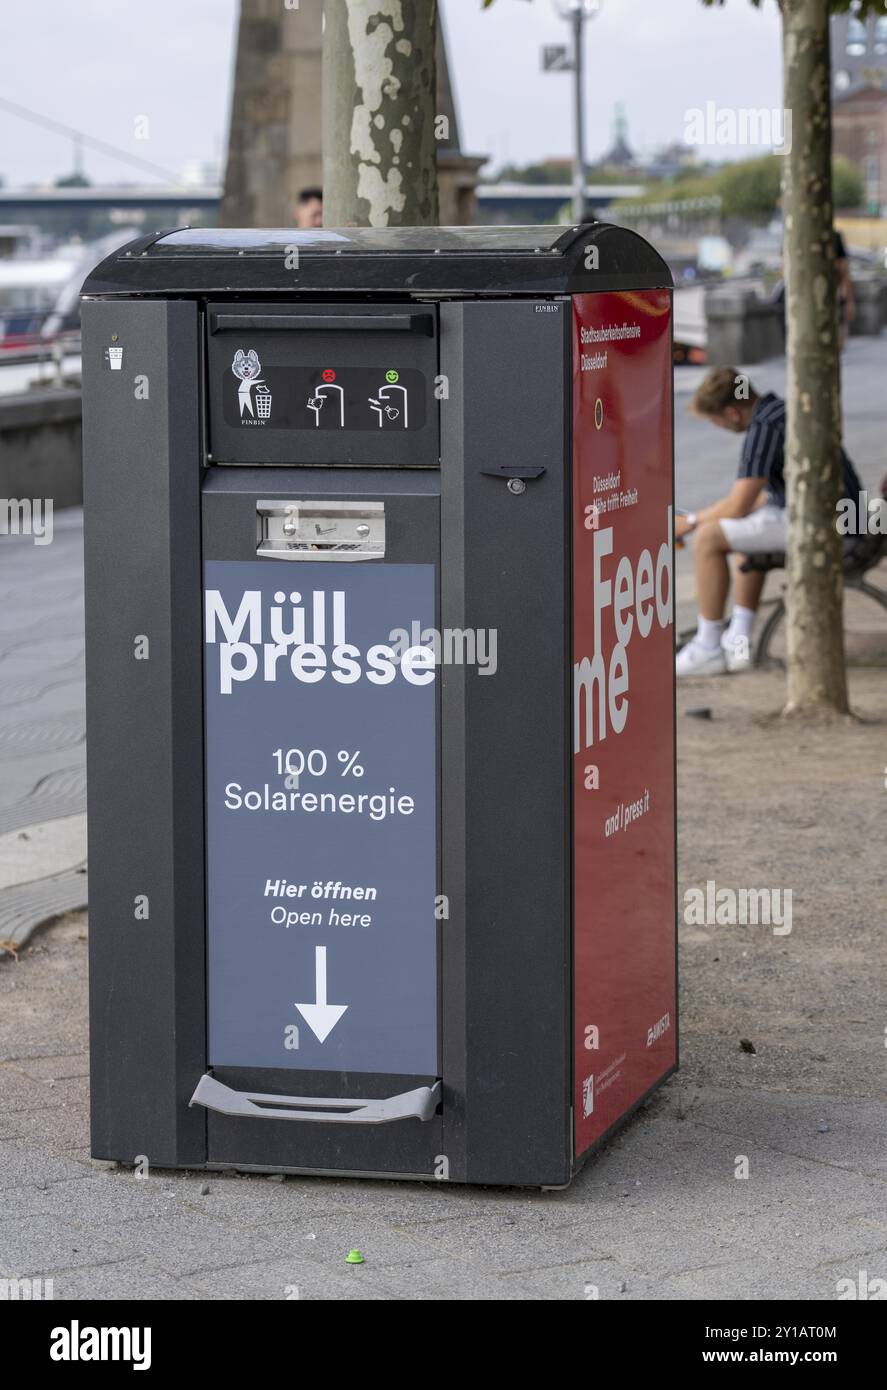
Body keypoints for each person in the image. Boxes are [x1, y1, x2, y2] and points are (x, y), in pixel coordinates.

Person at [675, 366, 863, 677]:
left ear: (732, 413)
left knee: (709, 538)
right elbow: (757, 500)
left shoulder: (764, 428)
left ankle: (708, 647)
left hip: (828, 526)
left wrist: (691, 521)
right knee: (743, 532)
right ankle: (739, 642)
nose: (716, 426)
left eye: (715, 420)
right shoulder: (779, 412)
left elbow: (737, 504)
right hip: (844, 518)